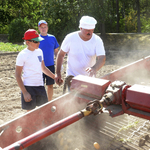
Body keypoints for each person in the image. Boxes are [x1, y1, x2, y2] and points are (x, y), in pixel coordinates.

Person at [15, 29, 62, 111]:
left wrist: (54, 77)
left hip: (40, 86)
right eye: (36, 41)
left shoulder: (39, 51)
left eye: (39, 41)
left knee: (44, 111)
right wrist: (25, 92)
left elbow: (43, 68)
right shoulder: (22, 55)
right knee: (30, 113)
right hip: (28, 87)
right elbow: (17, 75)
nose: (39, 43)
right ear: (28, 42)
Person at [55, 16, 106, 89]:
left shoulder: (97, 40)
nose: (89, 33)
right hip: (72, 78)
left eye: (92, 30)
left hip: (90, 79)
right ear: (81, 28)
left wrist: (94, 68)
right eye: (87, 30)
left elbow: (102, 58)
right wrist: (58, 73)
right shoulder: (70, 38)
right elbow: (61, 55)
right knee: (73, 99)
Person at [38, 20, 59, 101]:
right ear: (39, 28)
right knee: (40, 86)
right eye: (41, 27)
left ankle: (49, 102)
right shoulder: (37, 39)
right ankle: (41, 103)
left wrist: (59, 64)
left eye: (45, 27)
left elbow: (56, 52)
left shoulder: (52, 38)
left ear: (47, 28)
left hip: (50, 65)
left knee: (50, 85)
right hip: (39, 66)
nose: (43, 29)